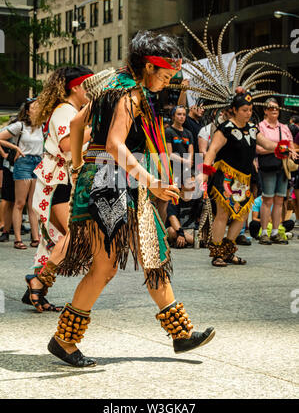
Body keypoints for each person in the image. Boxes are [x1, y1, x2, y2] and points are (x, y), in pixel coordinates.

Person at [26, 31, 215, 367]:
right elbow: (115, 144)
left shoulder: (111, 86)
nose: (167, 82)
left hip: (111, 181)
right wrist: (152, 181)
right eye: (166, 75)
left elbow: (76, 121)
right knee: (104, 267)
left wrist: (79, 166)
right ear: (147, 67)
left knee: (151, 252)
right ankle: (65, 340)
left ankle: (180, 333)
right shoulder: (129, 94)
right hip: (112, 184)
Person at [23, 66, 94, 312]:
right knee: (77, 236)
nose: (92, 91)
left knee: (55, 239)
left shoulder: (69, 110)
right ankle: (38, 280)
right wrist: (94, 131)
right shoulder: (65, 110)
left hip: (57, 181)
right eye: (89, 85)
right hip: (57, 182)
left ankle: (36, 289)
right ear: (75, 87)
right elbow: (66, 143)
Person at [202, 88, 296, 267]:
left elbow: (267, 144)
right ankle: (217, 253)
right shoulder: (225, 129)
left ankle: (228, 251)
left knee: (242, 214)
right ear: (235, 110)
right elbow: (212, 150)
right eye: (244, 110)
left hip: (246, 178)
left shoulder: (253, 128)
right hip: (226, 178)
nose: (248, 113)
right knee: (222, 214)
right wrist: (205, 172)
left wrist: (284, 147)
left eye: (251, 110)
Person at [0, 98, 43, 249]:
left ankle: (35, 238)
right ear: (27, 110)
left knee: (33, 204)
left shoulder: (42, 127)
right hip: (23, 163)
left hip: (38, 164)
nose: (38, 108)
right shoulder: (20, 126)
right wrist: (15, 148)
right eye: (34, 106)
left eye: (39, 106)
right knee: (20, 203)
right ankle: (18, 239)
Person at [257, 98, 295, 245]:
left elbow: (291, 146)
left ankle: (275, 232)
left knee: (280, 200)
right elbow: (258, 149)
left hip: (283, 166)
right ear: (265, 110)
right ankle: (264, 232)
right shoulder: (260, 127)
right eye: (271, 108)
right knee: (267, 199)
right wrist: (277, 149)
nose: (274, 111)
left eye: (277, 108)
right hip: (268, 166)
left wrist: (291, 152)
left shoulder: (284, 127)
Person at [165, 105, 194, 186]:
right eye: (179, 114)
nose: (182, 117)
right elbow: (169, 154)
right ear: (173, 116)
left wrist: (189, 161)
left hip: (186, 170)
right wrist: (185, 161)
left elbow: (191, 150)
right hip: (173, 169)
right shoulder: (168, 131)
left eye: (184, 115)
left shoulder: (188, 133)